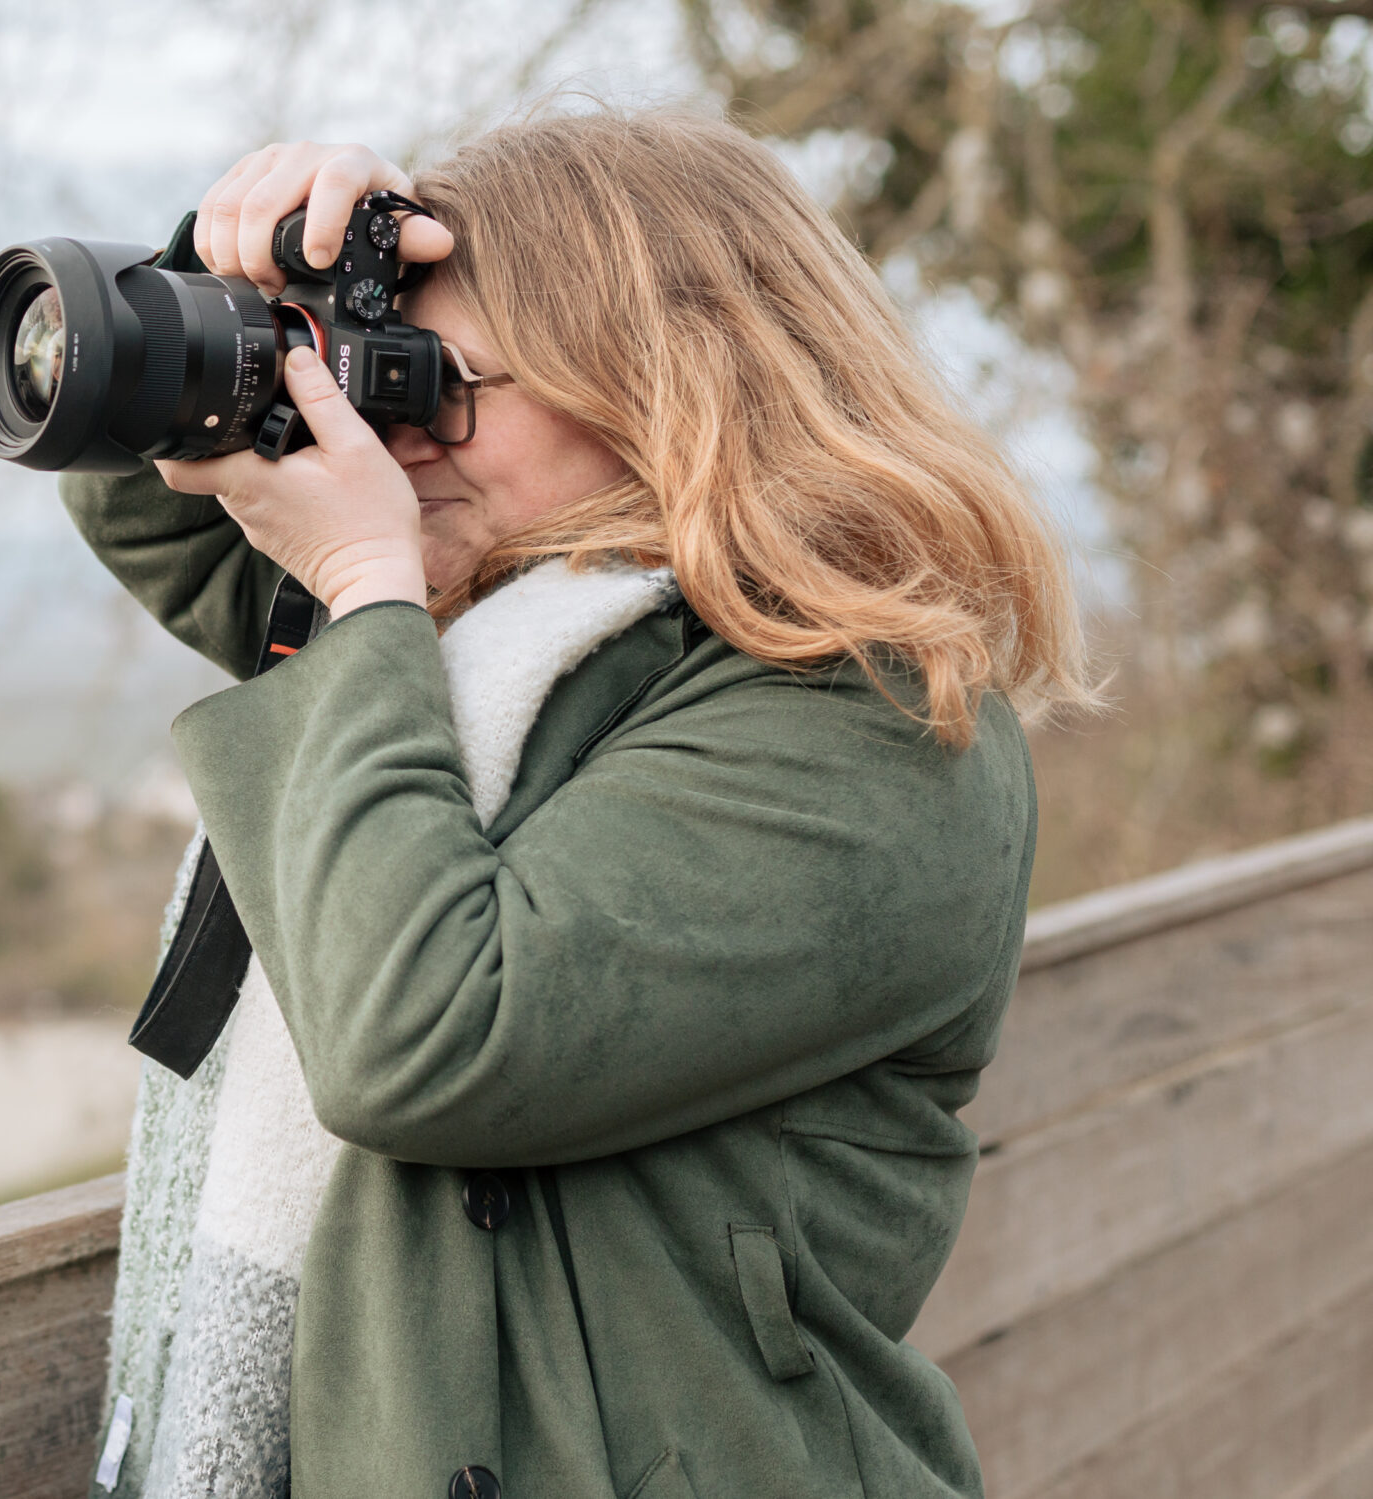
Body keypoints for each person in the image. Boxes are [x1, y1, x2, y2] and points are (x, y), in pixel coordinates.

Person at [68, 109, 1089, 1499]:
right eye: (386, 375)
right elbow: (160, 504)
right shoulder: (504, 639)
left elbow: (422, 1032)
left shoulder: (876, 731)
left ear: (672, 387)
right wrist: (222, 281)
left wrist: (367, 594)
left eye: (451, 382)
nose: (399, 429)